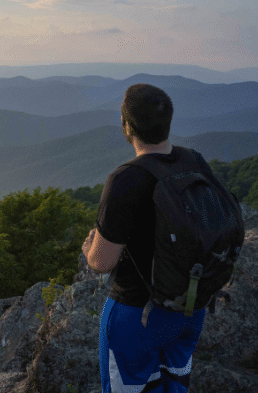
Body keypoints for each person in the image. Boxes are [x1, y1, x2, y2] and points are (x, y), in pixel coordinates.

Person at [82, 83, 212, 393]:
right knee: (175, 384)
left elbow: (102, 262)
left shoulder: (125, 179)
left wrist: (89, 249)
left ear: (127, 126)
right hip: (190, 305)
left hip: (136, 312)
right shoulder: (194, 162)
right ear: (168, 122)